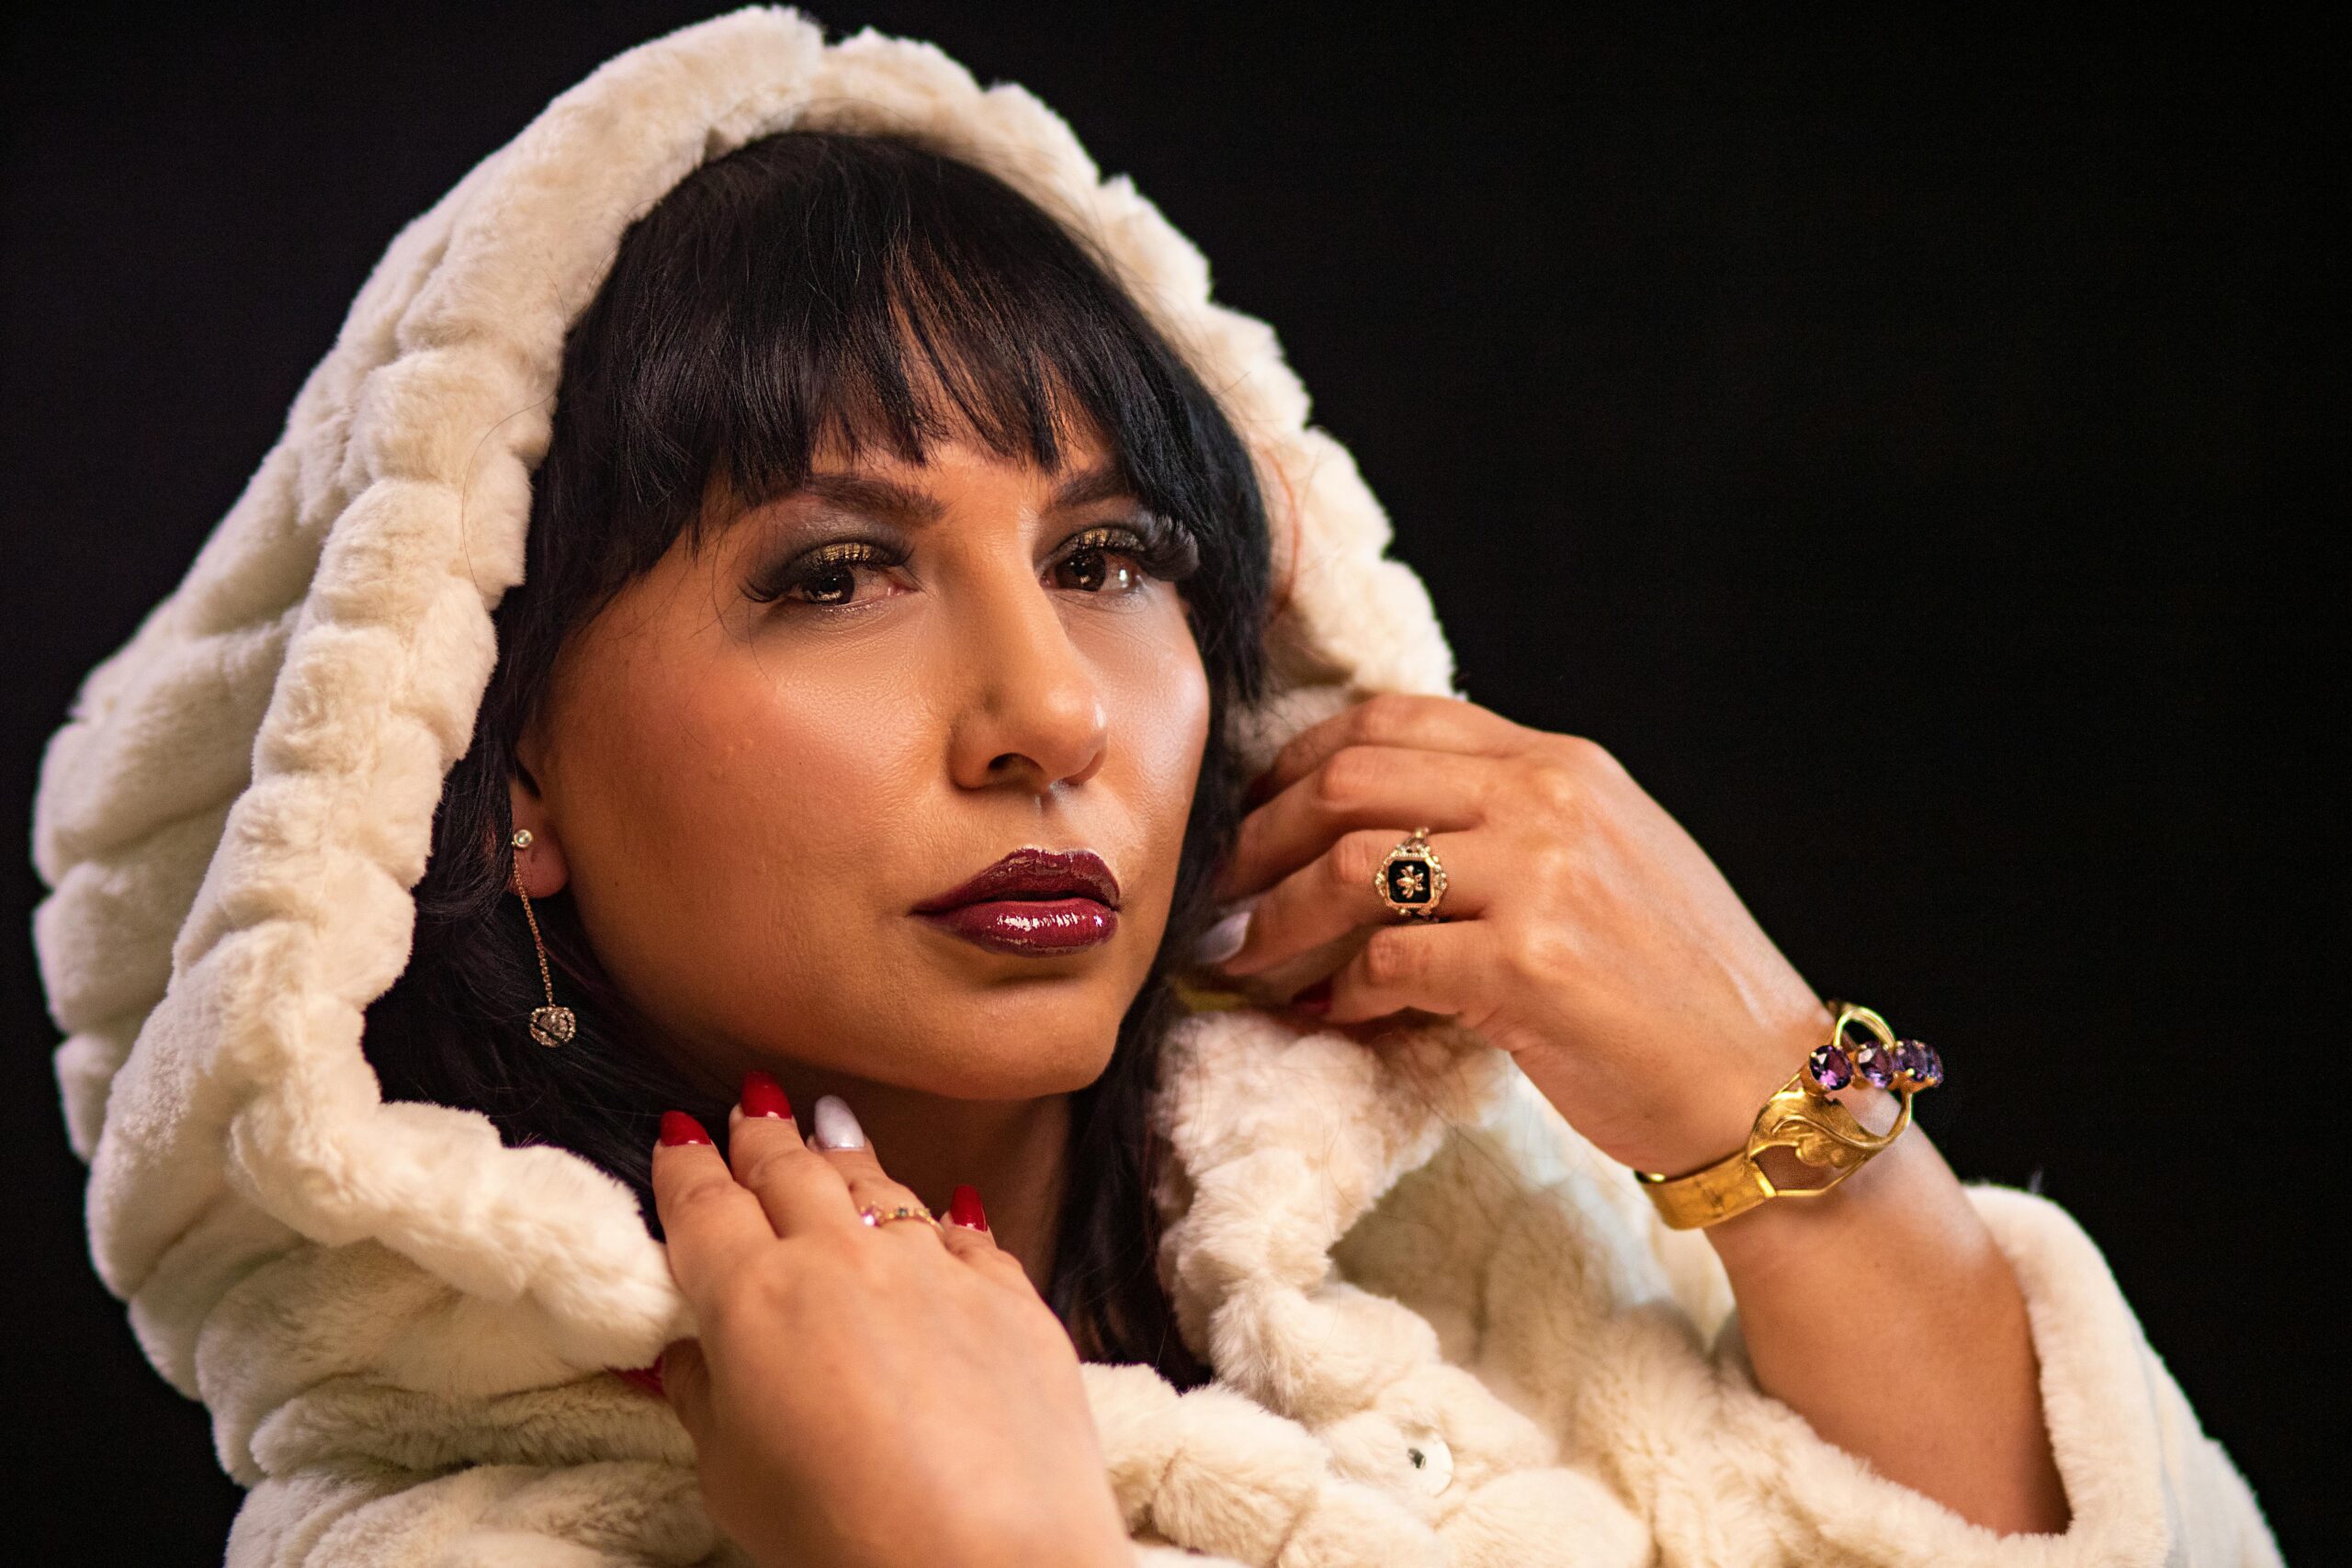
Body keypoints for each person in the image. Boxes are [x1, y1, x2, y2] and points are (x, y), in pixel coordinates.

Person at [28, 9, 2280, 1566]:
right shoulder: (458, 1529)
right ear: (490, 763)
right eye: (834, 575)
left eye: (1112, 556)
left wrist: (1785, 1111)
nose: (1048, 709)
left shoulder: (1496, 1259)